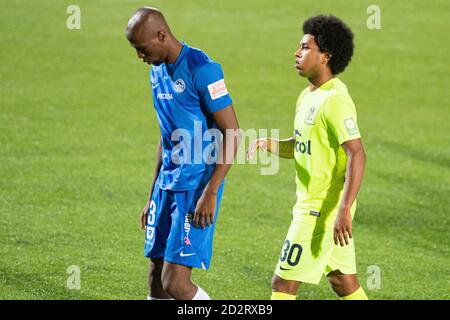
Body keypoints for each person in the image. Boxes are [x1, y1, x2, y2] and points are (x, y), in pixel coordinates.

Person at [247, 15, 368, 300]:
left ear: (325, 56)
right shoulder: (308, 95)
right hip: (321, 208)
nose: (296, 53)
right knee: (343, 282)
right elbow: (303, 144)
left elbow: (357, 154)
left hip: (320, 211)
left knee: (282, 284)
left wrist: (343, 209)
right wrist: (271, 144)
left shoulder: (334, 101)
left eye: (304, 47)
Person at [126, 7, 240, 300]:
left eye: (142, 49)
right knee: (156, 276)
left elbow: (233, 133)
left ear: (161, 35)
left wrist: (211, 191)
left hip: (195, 188)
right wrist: (152, 194)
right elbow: (166, 136)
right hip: (166, 185)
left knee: (175, 283)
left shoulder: (202, 68)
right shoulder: (156, 71)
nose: (139, 56)